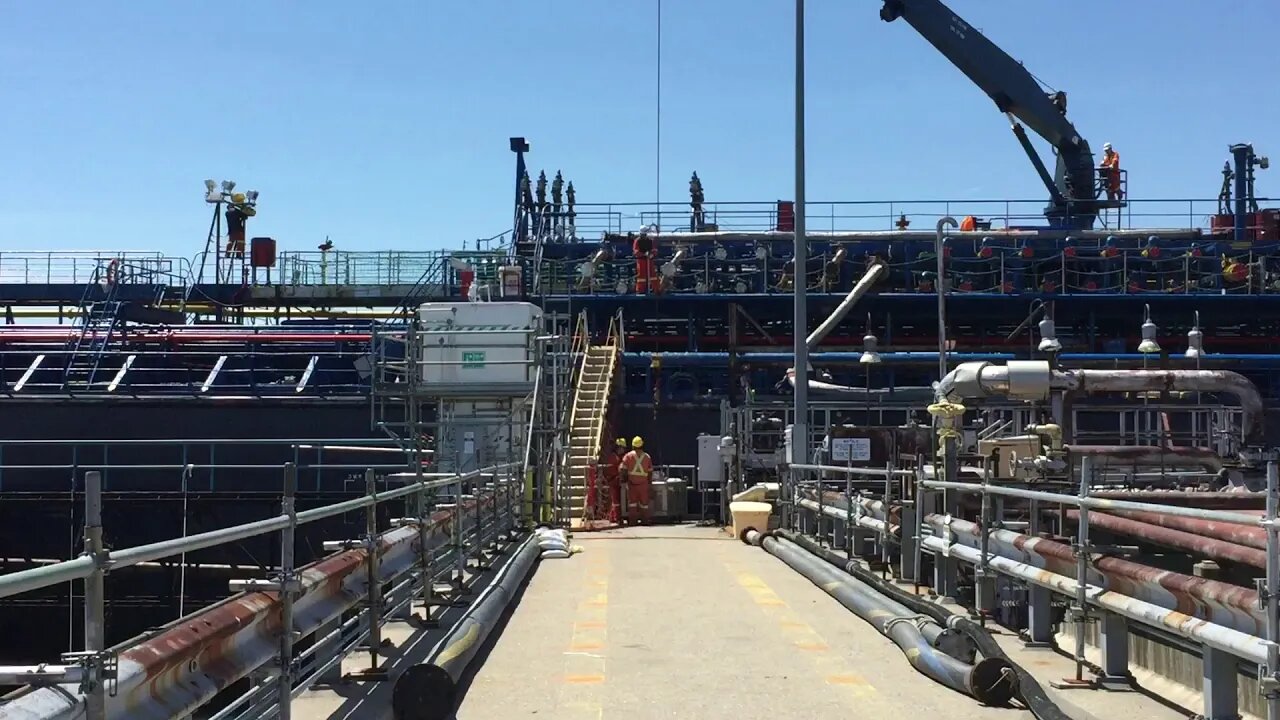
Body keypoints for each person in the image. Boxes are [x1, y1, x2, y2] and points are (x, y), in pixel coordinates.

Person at [619, 435, 653, 525]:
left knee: (632, 504)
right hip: (643, 484)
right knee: (644, 504)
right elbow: (650, 472)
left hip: (632, 484)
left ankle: (633, 522)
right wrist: (649, 483)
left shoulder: (628, 456)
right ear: (642, 445)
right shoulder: (647, 457)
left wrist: (624, 480)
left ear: (633, 446)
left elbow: (623, 469)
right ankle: (645, 521)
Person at [603, 437, 627, 523]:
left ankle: (613, 517)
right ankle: (617, 518)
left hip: (616, 481)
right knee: (616, 501)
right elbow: (611, 471)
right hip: (613, 481)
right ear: (618, 448)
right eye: (622, 448)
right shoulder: (613, 457)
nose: (623, 450)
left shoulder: (619, 457)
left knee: (616, 501)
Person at [633, 228, 656, 294]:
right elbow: (636, 251)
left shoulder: (650, 241)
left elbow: (654, 250)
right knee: (641, 276)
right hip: (641, 261)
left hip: (649, 260)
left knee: (652, 275)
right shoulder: (637, 241)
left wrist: (652, 254)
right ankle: (640, 290)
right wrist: (643, 254)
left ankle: (655, 289)